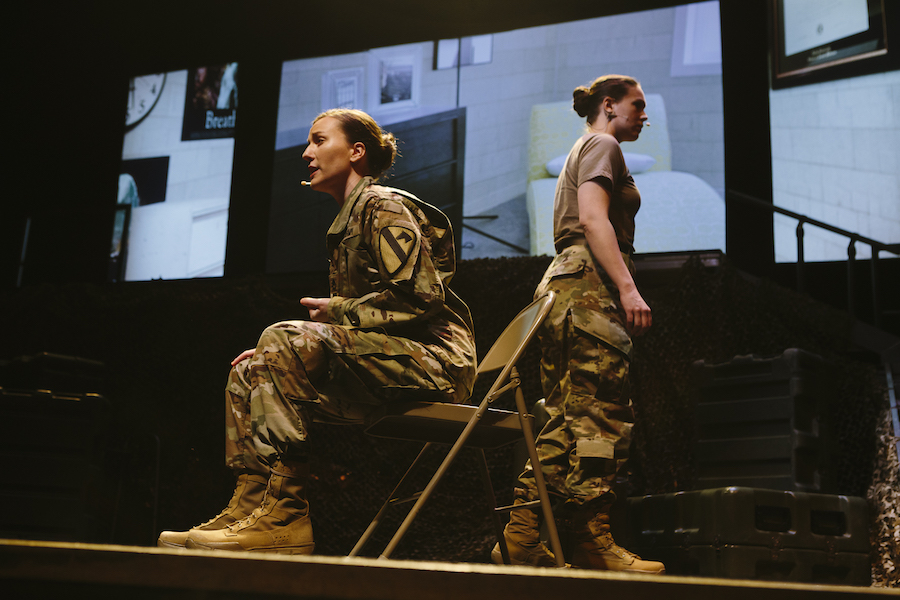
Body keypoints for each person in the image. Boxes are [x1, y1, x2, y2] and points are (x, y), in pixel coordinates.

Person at [158, 108, 477, 554]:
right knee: (249, 371)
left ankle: (285, 517)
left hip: (436, 362)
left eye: (319, 141)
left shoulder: (381, 205)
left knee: (281, 338)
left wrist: (338, 311)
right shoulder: (349, 218)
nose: (307, 152)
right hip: (393, 359)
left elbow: (422, 299)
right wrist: (277, 357)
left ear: (356, 151)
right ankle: (252, 507)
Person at [494, 75, 664, 573]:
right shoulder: (603, 142)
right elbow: (593, 219)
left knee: (570, 417)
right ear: (609, 105)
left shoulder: (588, 146)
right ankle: (589, 541)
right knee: (598, 417)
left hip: (569, 286)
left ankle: (524, 537)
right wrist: (628, 289)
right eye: (638, 105)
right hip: (586, 284)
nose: (644, 115)